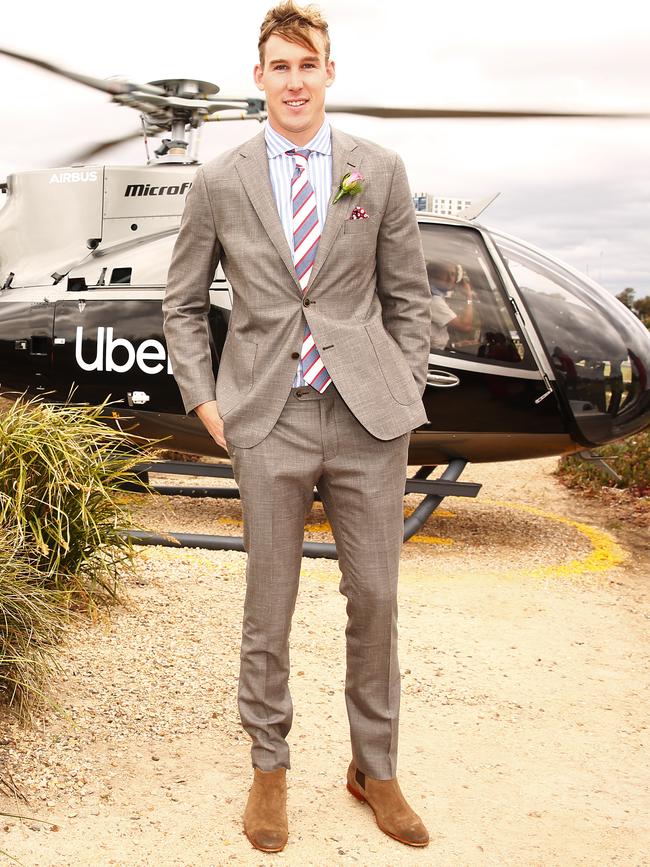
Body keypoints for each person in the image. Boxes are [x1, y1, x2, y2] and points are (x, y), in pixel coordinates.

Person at [162, 0, 432, 853]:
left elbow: (410, 299)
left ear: (329, 73)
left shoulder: (376, 169)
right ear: (259, 77)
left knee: (377, 598)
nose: (294, 80)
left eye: (307, 64)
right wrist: (207, 401)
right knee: (267, 606)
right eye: (279, 66)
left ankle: (374, 768)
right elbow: (181, 304)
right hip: (266, 415)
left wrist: (403, 386)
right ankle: (268, 770)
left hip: (366, 419)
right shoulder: (220, 179)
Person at [428, 260, 475, 351]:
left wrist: (454, 345)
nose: (450, 279)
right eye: (445, 274)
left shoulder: (438, 297)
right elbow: (466, 326)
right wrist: (469, 297)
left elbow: (436, 335)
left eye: (453, 274)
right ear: (434, 276)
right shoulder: (434, 300)